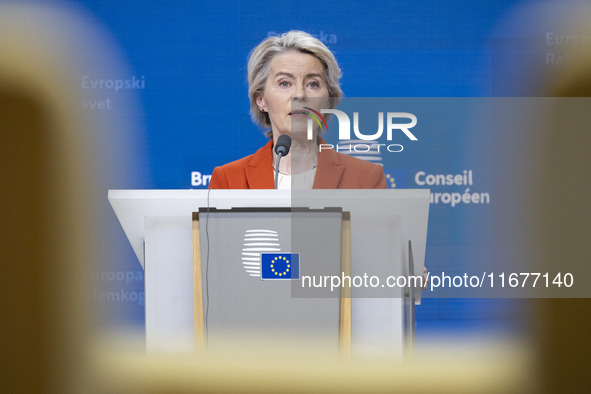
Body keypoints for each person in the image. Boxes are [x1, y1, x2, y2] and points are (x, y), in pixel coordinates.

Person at [209, 30, 387, 189]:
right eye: (285, 83)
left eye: (312, 84)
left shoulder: (366, 178)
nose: (300, 94)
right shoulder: (228, 180)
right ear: (261, 100)